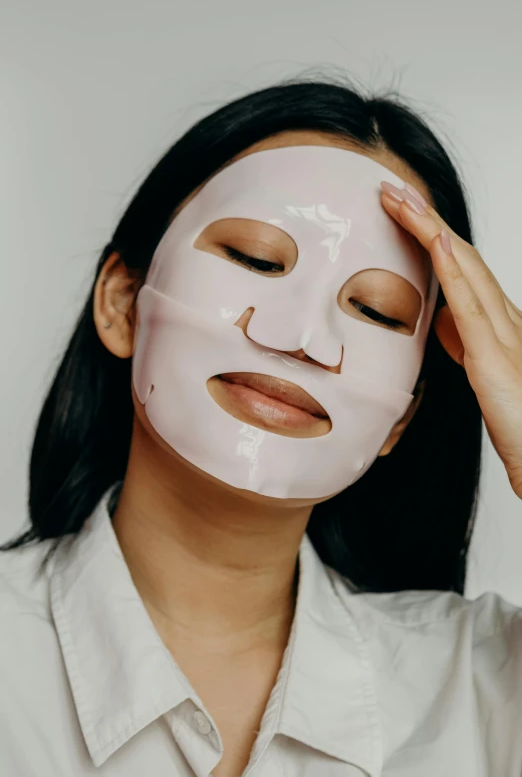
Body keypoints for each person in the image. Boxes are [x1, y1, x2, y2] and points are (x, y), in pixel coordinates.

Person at [1, 78, 521, 777]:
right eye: (256, 259)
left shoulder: (486, 685)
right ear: (123, 302)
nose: (303, 337)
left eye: (376, 310)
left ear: (404, 413)